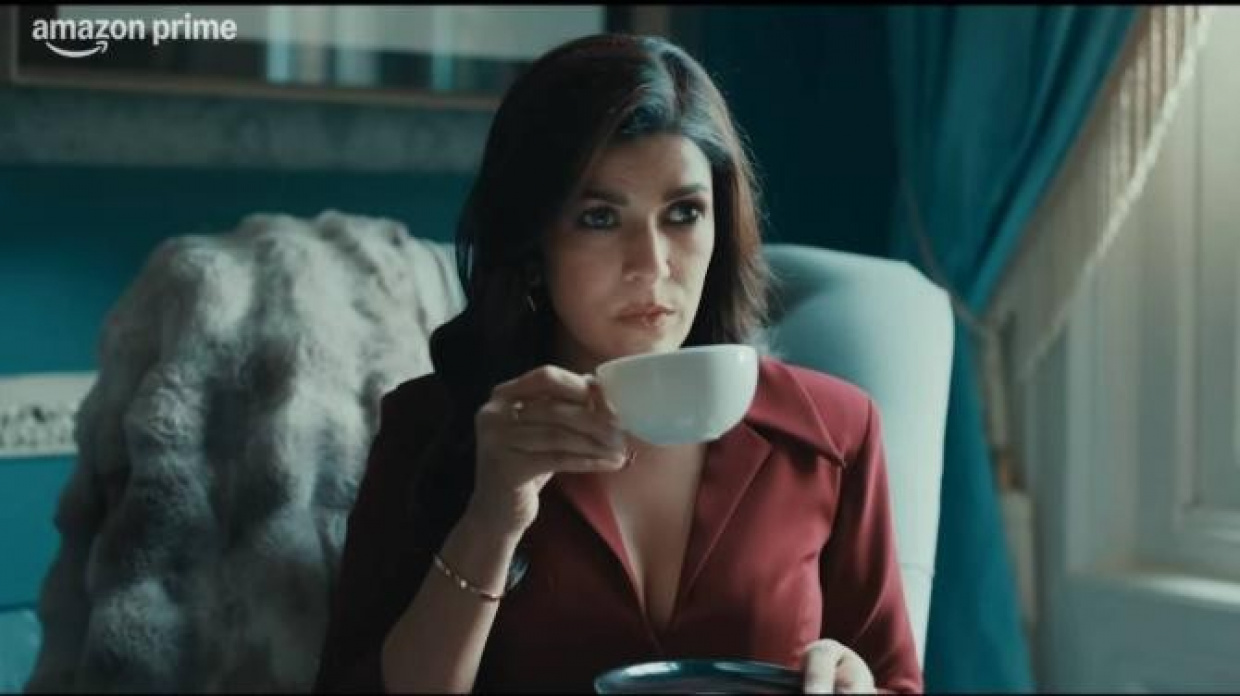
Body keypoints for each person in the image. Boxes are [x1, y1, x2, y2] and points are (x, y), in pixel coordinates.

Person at [313, 33, 922, 694]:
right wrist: (491, 516)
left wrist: (854, 681)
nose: (652, 265)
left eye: (683, 213)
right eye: (599, 218)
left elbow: (892, 680)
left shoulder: (833, 431)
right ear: (533, 244)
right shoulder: (432, 427)